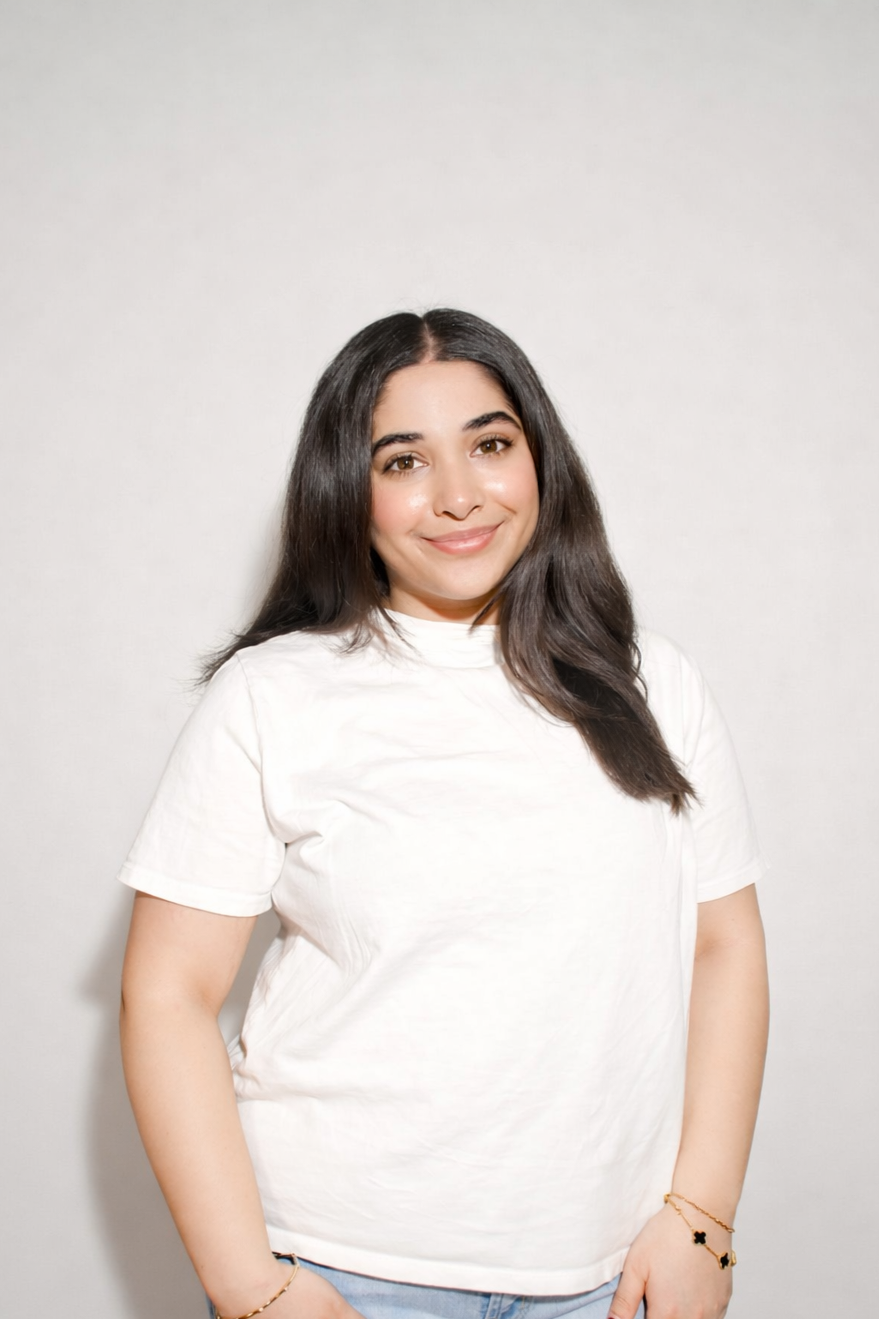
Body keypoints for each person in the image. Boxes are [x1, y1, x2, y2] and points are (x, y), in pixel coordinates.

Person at [119, 308, 769, 1319]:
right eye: (403, 461)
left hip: (608, 1271)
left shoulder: (653, 683)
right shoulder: (273, 693)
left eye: (491, 444)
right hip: (338, 1266)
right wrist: (250, 1286)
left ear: (539, 459)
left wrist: (704, 1220)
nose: (459, 494)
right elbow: (166, 992)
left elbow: (724, 942)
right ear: (350, 490)